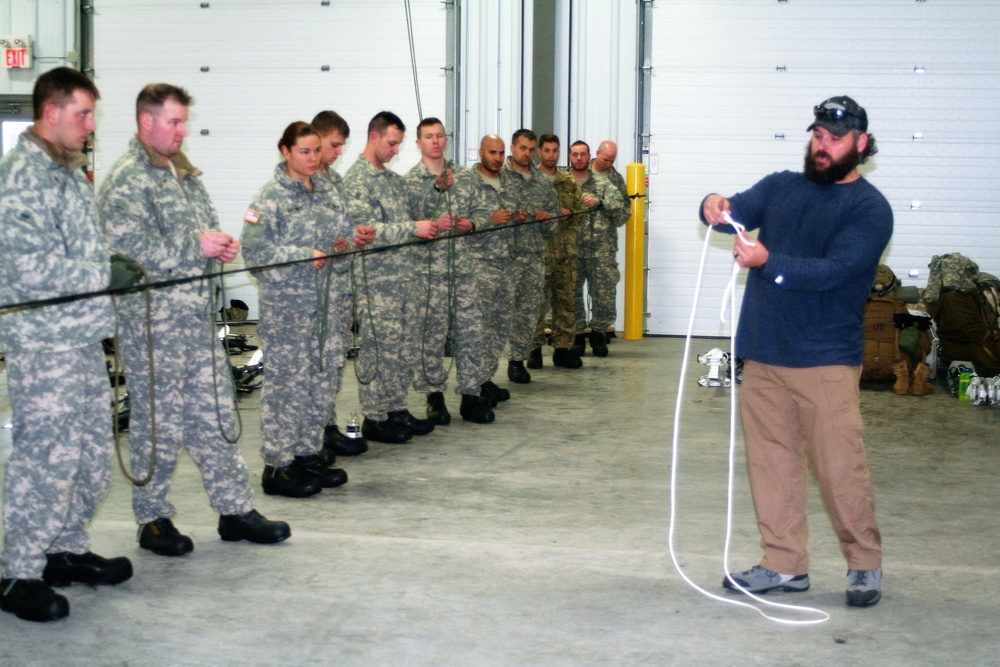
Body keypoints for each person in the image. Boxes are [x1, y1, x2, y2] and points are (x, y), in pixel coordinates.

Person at [700, 95, 891, 608]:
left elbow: (833, 271)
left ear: (861, 143)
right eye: (817, 136)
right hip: (764, 354)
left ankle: (864, 564)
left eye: (834, 138)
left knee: (839, 468)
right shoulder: (782, 186)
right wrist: (713, 203)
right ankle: (784, 565)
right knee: (771, 464)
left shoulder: (870, 210)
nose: (822, 146)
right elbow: (729, 213)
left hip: (825, 360)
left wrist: (768, 261)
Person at [99, 84, 289, 556]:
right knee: (159, 423)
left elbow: (201, 229)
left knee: (217, 415)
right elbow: (125, 256)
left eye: (184, 121)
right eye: (174, 122)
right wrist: (194, 248)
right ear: (146, 122)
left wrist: (218, 245)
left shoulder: (182, 173)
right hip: (152, 324)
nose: (182, 131)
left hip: (194, 319)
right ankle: (153, 518)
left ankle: (234, 510)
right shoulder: (127, 179)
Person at [0, 67, 133, 623]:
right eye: (82, 114)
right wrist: (101, 272)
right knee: (45, 458)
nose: (89, 125)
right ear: (51, 111)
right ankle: (16, 570)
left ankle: (64, 549)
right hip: (43, 343)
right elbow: (25, 266)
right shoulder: (20, 177)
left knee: (90, 454)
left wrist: (107, 268)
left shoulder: (69, 172)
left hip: (79, 338)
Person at [241, 121, 366, 497]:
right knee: (287, 388)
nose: (313, 159)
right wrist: (300, 257)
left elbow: (342, 241)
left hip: (329, 308)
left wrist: (346, 248)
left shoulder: (328, 191)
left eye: (316, 151)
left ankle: (307, 453)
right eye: (304, 152)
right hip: (289, 312)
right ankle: (277, 466)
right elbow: (255, 256)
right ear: (285, 151)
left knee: (323, 382)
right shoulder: (268, 199)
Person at [342, 111, 443, 443]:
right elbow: (368, 232)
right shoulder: (356, 181)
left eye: (399, 144)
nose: (396, 150)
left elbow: (419, 211)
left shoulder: (393, 181)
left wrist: (439, 187)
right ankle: (374, 416)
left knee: (403, 350)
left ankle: (396, 408)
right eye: (391, 143)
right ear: (374, 137)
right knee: (379, 351)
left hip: (404, 279)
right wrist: (413, 229)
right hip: (376, 284)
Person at [403, 118, 495, 425]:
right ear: (418, 143)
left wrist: (474, 223)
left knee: (471, 332)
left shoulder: (465, 177)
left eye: (440, 136)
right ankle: (434, 396)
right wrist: (435, 190)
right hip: (428, 274)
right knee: (430, 335)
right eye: (428, 137)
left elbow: (483, 211)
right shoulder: (411, 181)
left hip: (463, 270)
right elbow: (408, 223)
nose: (436, 141)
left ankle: (471, 394)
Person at [312, 110, 370, 458]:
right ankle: (311, 433)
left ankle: (326, 424)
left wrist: (351, 239)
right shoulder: (300, 184)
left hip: (339, 290)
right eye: (334, 145)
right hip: (311, 295)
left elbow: (343, 229)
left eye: (340, 147)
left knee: (333, 365)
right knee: (315, 366)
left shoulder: (334, 182)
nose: (337, 153)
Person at [502, 129, 560, 385]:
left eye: (529, 149)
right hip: (501, 259)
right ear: (513, 148)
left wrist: (547, 220)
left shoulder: (543, 182)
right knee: (498, 314)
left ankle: (517, 361)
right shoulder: (497, 178)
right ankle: (485, 369)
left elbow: (555, 220)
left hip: (533, 258)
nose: (525, 153)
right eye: (521, 148)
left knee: (528, 313)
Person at [528, 133, 588, 370]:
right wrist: (537, 216)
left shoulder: (568, 182)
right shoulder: (530, 181)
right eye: (547, 151)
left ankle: (562, 348)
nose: (551, 155)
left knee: (566, 301)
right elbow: (520, 213)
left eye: (555, 151)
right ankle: (533, 348)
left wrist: (570, 213)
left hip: (565, 251)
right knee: (535, 303)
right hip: (538, 253)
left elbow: (582, 213)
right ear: (539, 153)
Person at [466, 134, 516, 406]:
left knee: (499, 325)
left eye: (500, 153)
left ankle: (485, 377)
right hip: (479, 265)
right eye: (492, 152)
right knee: (478, 328)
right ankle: (471, 384)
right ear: (481, 153)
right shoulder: (468, 183)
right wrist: (490, 219)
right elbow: (461, 223)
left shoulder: (508, 181)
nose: (497, 158)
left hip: (506, 264)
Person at [569, 140, 629, 358]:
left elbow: (623, 214)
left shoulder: (610, 182)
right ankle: (576, 337)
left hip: (601, 248)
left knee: (604, 294)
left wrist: (601, 203)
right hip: (572, 249)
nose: (609, 163)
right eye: (605, 159)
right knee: (571, 294)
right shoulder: (564, 182)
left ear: (587, 156)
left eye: (612, 160)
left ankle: (598, 333)